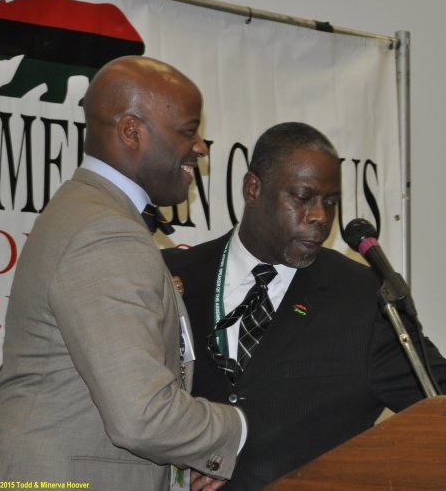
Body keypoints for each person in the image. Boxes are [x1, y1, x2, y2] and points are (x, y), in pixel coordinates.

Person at [0, 56, 245, 490]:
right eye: (188, 130)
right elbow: (141, 416)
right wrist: (237, 429)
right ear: (131, 131)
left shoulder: (89, 210)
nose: (201, 147)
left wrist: (190, 455)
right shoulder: (105, 230)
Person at [163, 121, 446, 490]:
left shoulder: (364, 298)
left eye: (330, 203)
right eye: (303, 197)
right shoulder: (174, 274)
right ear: (253, 188)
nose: (320, 217)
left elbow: (436, 403)